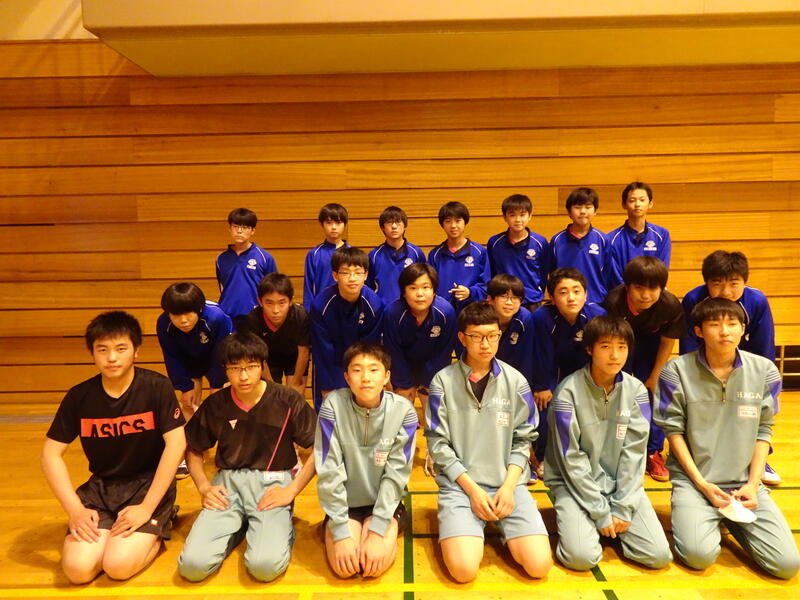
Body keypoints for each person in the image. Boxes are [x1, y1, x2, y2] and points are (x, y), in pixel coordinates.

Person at [654, 298, 799, 579]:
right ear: (698, 331)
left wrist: (753, 484)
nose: (724, 331)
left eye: (732, 324)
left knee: (787, 565)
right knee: (697, 557)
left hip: (744, 483)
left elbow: (763, 431)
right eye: (714, 324)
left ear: (743, 329)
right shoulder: (676, 371)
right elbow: (674, 432)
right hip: (696, 482)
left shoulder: (765, 371)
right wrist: (701, 484)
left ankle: (732, 519)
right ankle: (714, 515)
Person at [41, 311, 186, 584]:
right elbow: (50, 454)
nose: (111, 358)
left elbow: (177, 443)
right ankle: (110, 533)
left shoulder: (156, 387)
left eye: (121, 348)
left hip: (147, 487)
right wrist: (75, 510)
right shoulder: (79, 396)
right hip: (101, 489)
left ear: (136, 351)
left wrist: (147, 507)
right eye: (102, 350)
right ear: (92, 354)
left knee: (117, 566)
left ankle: (161, 522)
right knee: (78, 570)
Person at [425, 302, 552, 582]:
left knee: (540, 566)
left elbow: (523, 439)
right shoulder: (442, 382)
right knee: (463, 571)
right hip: (461, 487)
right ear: (462, 338)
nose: (486, 344)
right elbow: (438, 444)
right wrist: (472, 491)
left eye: (492, 336)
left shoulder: (516, 381)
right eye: (476, 336)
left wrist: (508, 487)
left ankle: (502, 523)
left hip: (507, 486)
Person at [178, 332, 316, 582]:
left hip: (273, 482)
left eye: (251, 367)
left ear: (262, 366)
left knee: (264, 568)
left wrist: (292, 490)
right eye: (235, 368)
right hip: (227, 484)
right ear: (225, 370)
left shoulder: (287, 399)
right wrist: (204, 486)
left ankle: (275, 527)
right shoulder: (216, 404)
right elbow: (194, 448)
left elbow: (320, 448)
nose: (243, 376)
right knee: (192, 567)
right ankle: (239, 525)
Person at [545, 316, 672, 571]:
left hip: (620, 486)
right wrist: (600, 511)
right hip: (574, 485)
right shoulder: (567, 392)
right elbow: (571, 460)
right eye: (605, 346)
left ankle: (612, 529)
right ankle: (596, 526)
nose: (615, 355)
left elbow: (635, 454)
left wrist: (623, 507)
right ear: (589, 349)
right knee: (581, 559)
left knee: (658, 556)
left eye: (621, 347)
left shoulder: (636, 390)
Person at [316, 341, 418, 578]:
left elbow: (396, 474)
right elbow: (329, 470)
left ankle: (383, 528)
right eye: (357, 370)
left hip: (384, 505)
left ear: (386, 377)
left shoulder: (404, 411)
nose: (365, 378)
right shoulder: (332, 406)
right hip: (345, 505)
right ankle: (347, 529)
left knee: (372, 566)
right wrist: (340, 532)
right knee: (346, 569)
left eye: (374, 370)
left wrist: (378, 529)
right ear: (346, 377)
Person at [679, 250, 780, 485]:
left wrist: (761, 382)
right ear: (706, 283)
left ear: (745, 281)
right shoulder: (694, 299)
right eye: (717, 284)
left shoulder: (756, 301)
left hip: (743, 366)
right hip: (706, 365)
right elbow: (688, 345)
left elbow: (764, 347)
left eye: (734, 283)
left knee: (749, 411)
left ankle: (758, 460)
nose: (725, 292)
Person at [601, 257, 685, 482]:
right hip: (621, 343)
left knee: (654, 394)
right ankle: (614, 448)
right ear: (628, 286)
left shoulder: (670, 305)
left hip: (652, 345)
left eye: (653, 288)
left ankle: (653, 451)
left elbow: (667, 341)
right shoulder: (613, 302)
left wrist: (656, 375)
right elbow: (611, 340)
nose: (646, 295)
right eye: (639, 288)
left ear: (662, 288)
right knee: (617, 391)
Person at [530, 268, 606, 477]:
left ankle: (587, 457)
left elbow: (599, 354)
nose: (571, 297)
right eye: (563, 292)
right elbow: (541, 354)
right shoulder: (541, 318)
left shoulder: (597, 316)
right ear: (553, 299)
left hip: (585, 375)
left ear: (586, 294)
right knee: (545, 410)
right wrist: (542, 386)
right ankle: (544, 457)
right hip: (552, 375)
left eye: (576, 291)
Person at [311, 247, 384, 410]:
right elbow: (322, 350)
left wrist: (361, 377)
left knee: (362, 407)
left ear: (366, 275)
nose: (352, 278)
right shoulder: (320, 305)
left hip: (360, 364)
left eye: (358, 272)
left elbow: (370, 349)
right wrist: (328, 385)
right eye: (345, 272)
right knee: (330, 410)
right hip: (331, 362)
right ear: (335, 275)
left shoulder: (375, 305)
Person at [382, 263, 457, 410]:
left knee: (431, 407)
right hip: (402, 365)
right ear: (404, 292)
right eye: (413, 288)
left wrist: (428, 382)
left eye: (426, 287)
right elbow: (393, 351)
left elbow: (443, 352)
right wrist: (404, 383)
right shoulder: (392, 313)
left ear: (434, 291)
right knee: (402, 405)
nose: (420, 294)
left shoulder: (446, 313)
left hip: (433, 365)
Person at [156, 282, 233, 416]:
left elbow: (222, 353)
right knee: (189, 404)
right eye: (176, 315)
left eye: (188, 314)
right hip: (189, 357)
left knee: (219, 404)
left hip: (216, 356)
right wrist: (185, 387)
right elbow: (172, 357)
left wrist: (217, 384)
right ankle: (192, 429)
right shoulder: (164, 323)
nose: (183, 320)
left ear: (200, 309)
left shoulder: (217, 318)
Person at [240, 272, 311, 397]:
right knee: (271, 396)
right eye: (269, 303)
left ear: (291, 301)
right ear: (260, 301)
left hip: (294, 359)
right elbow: (259, 357)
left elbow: (303, 353)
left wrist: (295, 383)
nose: (276, 310)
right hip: (268, 359)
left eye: (282, 303)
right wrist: (272, 387)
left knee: (295, 397)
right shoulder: (253, 319)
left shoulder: (301, 316)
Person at [549, 187, 613, 304]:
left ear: (595, 211)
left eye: (588, 207)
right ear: (569, 212)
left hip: (596, 302)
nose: (583, 211)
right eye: (578, 207)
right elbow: (553, 275)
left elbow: (607, 275)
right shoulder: (557, 241)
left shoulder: (603, 240)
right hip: (566, 303)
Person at [486, 193, 550, 310]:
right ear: (505, 217)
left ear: (530, 216)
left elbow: (544, 273)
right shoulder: (494, 242)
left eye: (522, 214)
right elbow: (492, 273)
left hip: (531, 301)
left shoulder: (540, 242)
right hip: (503, 302)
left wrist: (535, 292)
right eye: (512, 215)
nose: (518, 220)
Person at [215, 207, 278, 320]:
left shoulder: (265, 258)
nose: (239, 231)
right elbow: (223, 287)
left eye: (244, 227)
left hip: (255, 317)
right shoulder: (221, 258)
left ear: (252, 231)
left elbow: (273, 290)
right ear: (229, 228)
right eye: (235, 226)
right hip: (227, 316)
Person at [428, 201, 491, 312]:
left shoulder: (479, 252)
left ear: (465, 222)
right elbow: (429, 285)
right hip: (442, 312)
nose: (453, 226)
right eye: (448, 221)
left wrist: (470, 292)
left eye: (458, 221)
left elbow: (487, 285)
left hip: (472, 312)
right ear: (442, 225)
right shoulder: (434, 254)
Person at [607, 182, 671, 287]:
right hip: (623, 292)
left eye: (642, 200)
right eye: (632, 200)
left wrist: (648, 290)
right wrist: (633, 292)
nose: (637, 204)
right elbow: (615, 276)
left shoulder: (662, 235)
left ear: (650, 203)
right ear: (624, 205)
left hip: (653, 290)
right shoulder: (611, 239)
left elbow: (662, 271)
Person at [367, 206, 425, 303]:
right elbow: (368, 287)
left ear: (405, 226)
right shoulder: (374, 255)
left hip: (411, 307)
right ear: (382, 227)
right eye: (389, 222)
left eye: (398, 222)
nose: (394, 226)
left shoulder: (416, 252)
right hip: (382, 309)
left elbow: (424, 282)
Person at [486, 274, 535, 386]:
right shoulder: (481, 319)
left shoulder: (524, 319)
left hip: (512, 377)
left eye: (515, 298)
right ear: (490, 299)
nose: (509, 302)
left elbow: (526, 359)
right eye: (503, 296)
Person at [304, 203, 349, 311]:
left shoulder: (352, 254)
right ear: (322, 224)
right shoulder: (313, 254)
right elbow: (309, 288)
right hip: (321, 311)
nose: (333, 227)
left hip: (348, 310)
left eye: (338, 222)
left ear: (345, 224)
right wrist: (309, 313)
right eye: (329, 222)